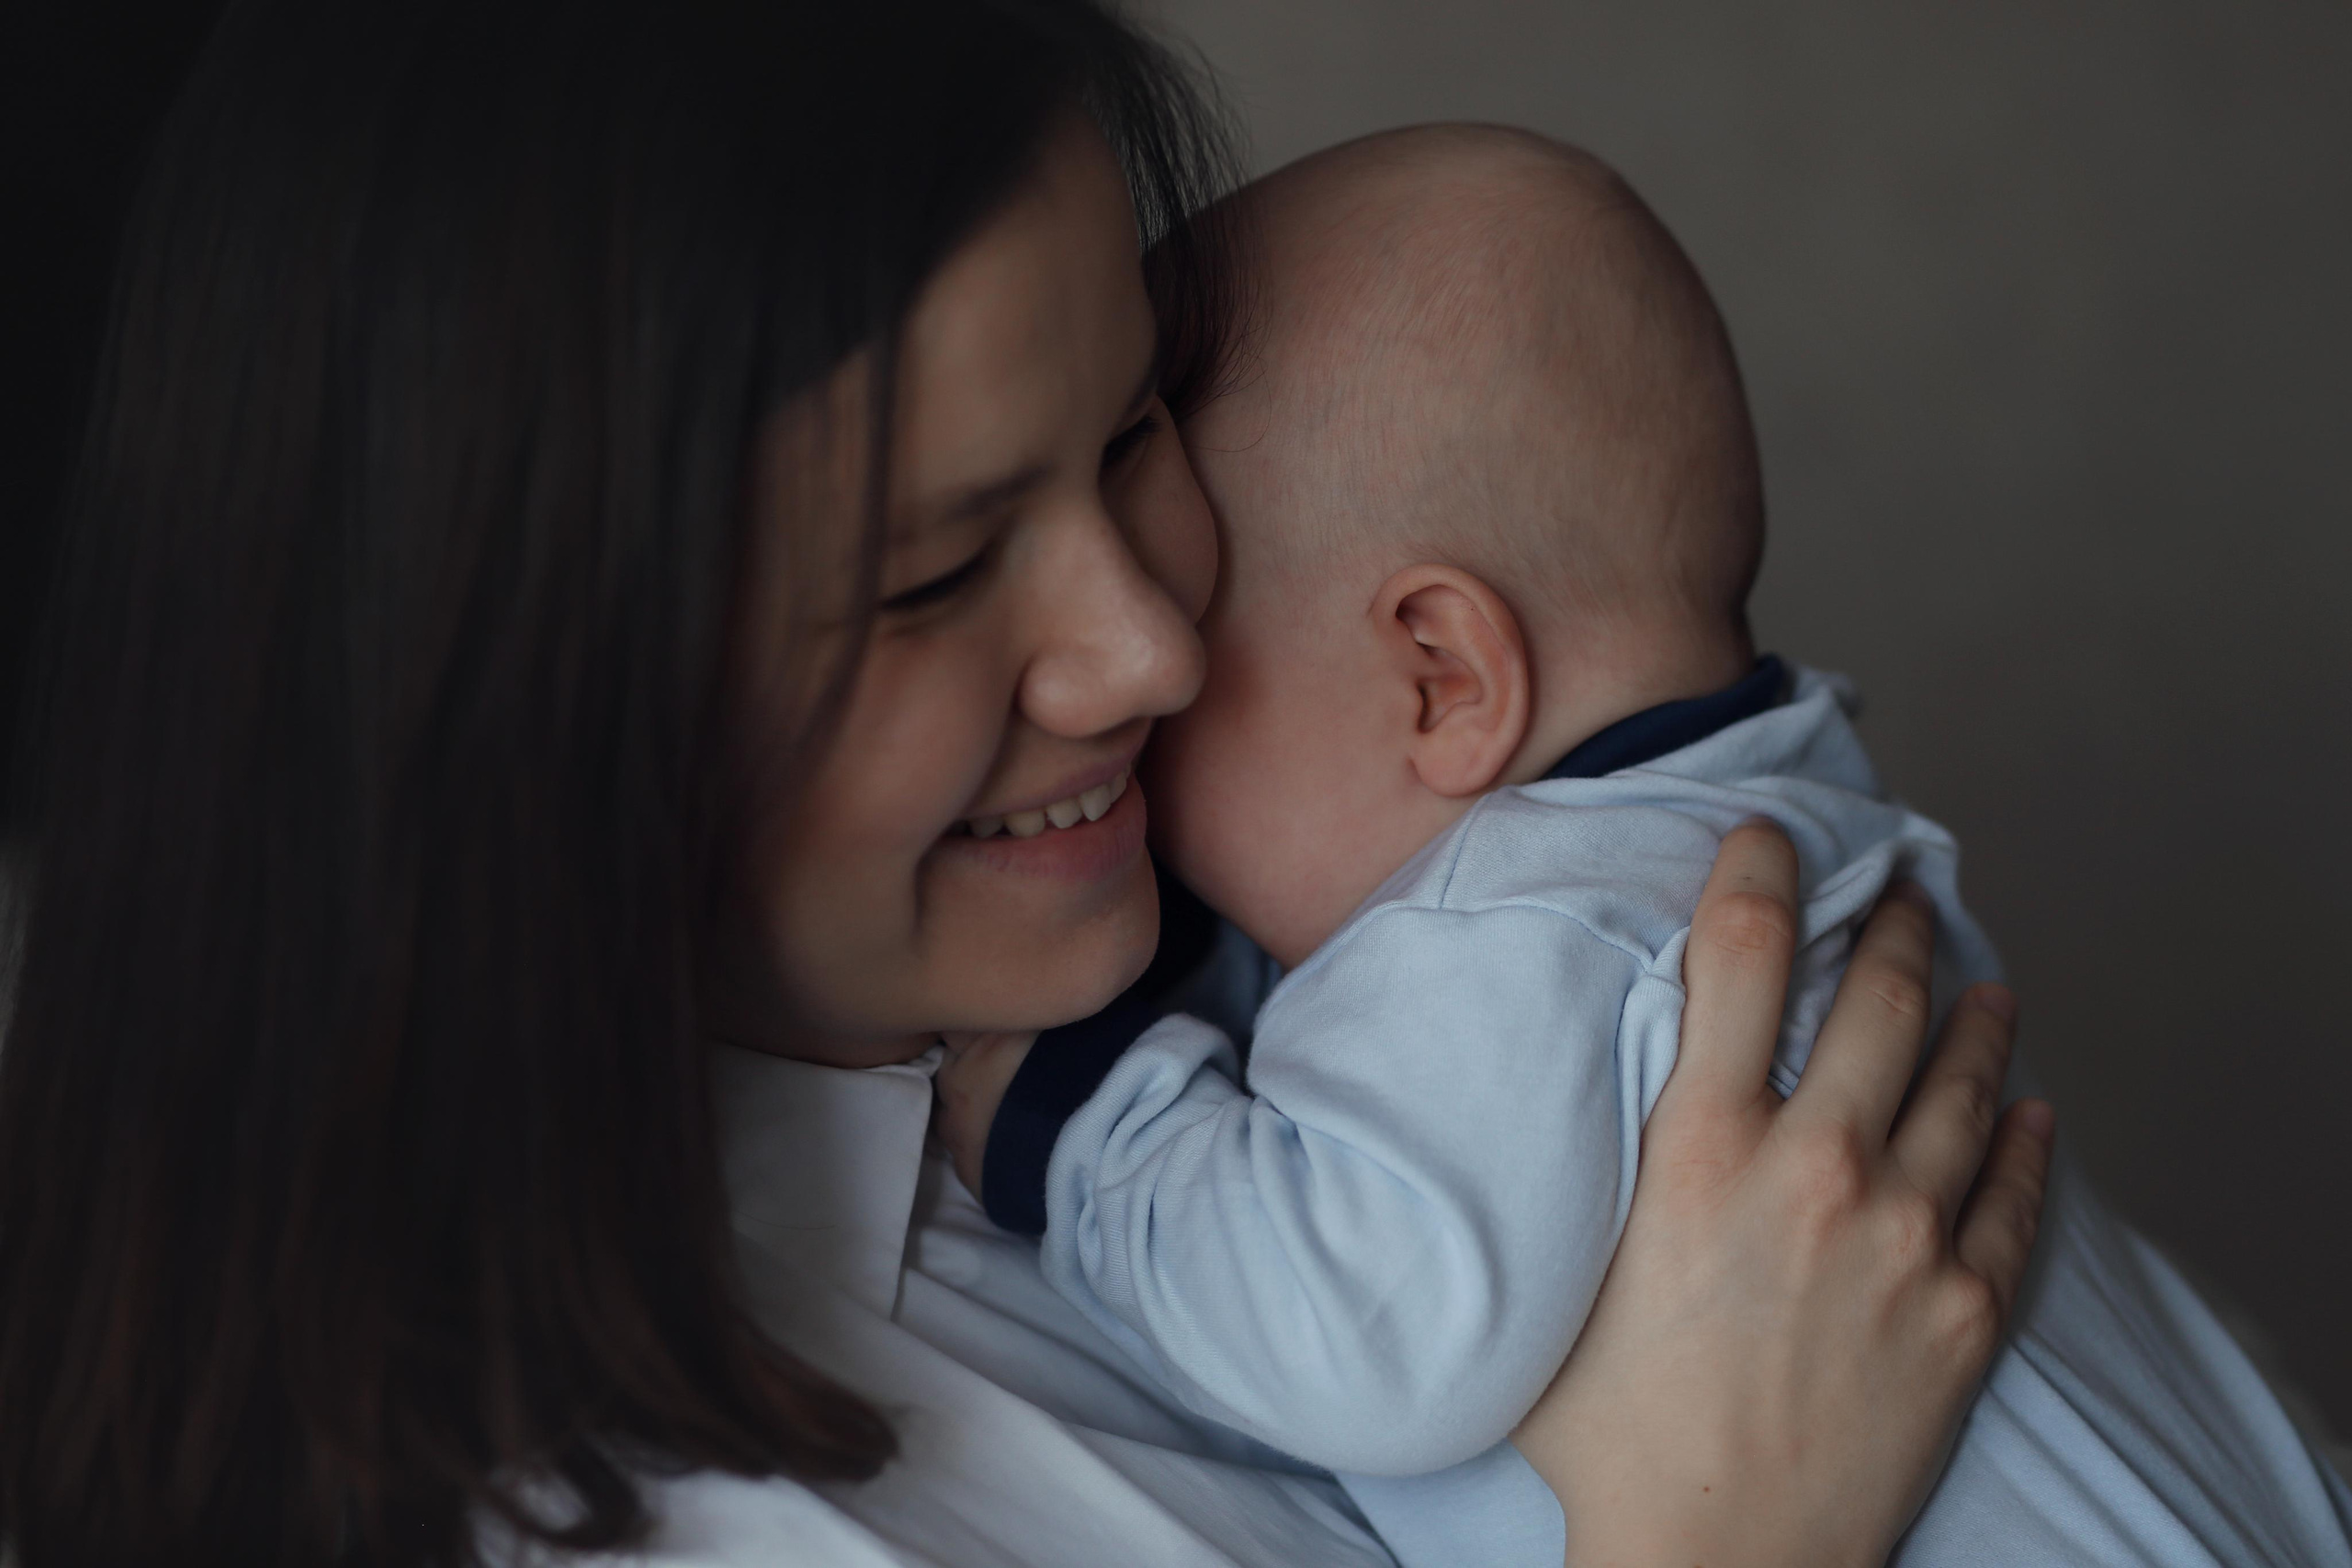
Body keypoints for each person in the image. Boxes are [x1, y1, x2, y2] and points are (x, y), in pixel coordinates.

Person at [0, 3, 2053, 1565]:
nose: (1150, 645)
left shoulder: (1354, 890)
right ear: (521, 702)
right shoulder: (640, 1515)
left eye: (1138, 428)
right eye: (930, 575)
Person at [932, 125, 2352, 1567]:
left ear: (1441, 678)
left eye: (1190, 624)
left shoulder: (1513, 929)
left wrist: (1087, 1124)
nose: (1141, 693)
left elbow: (1359, 1337)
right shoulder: (1793, 837)